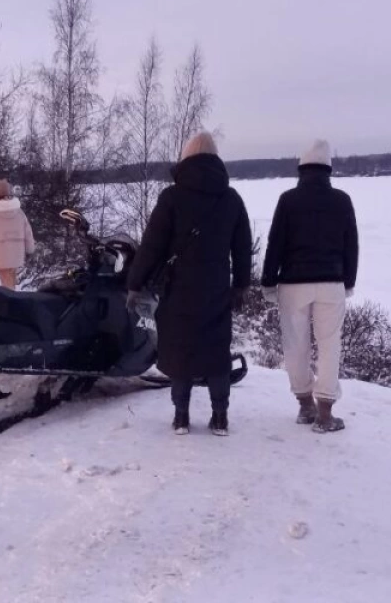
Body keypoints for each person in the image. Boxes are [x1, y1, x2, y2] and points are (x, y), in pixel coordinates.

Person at [127, 132, 252, 436]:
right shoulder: (231, 199)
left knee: (180, 348)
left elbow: (152, 245)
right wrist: (241, 285)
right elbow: (243, 247)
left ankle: (181, 416)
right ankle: (220, 416)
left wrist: (135, 282)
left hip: (178, 287)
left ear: (186, 158)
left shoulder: (171, 198)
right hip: (216, 287)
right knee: (216, 350)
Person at [260, 140, 358, 433]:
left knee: (296, 346)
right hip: (331, 283)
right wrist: (348, 281)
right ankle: (325, 414)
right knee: (330, 346)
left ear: (301, 168)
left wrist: (268, 282)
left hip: (293, 285)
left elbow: (275, 243)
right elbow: (351, 245)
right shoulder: (342, 200)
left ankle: (305, 406)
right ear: (328, 169)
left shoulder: (287, 200)